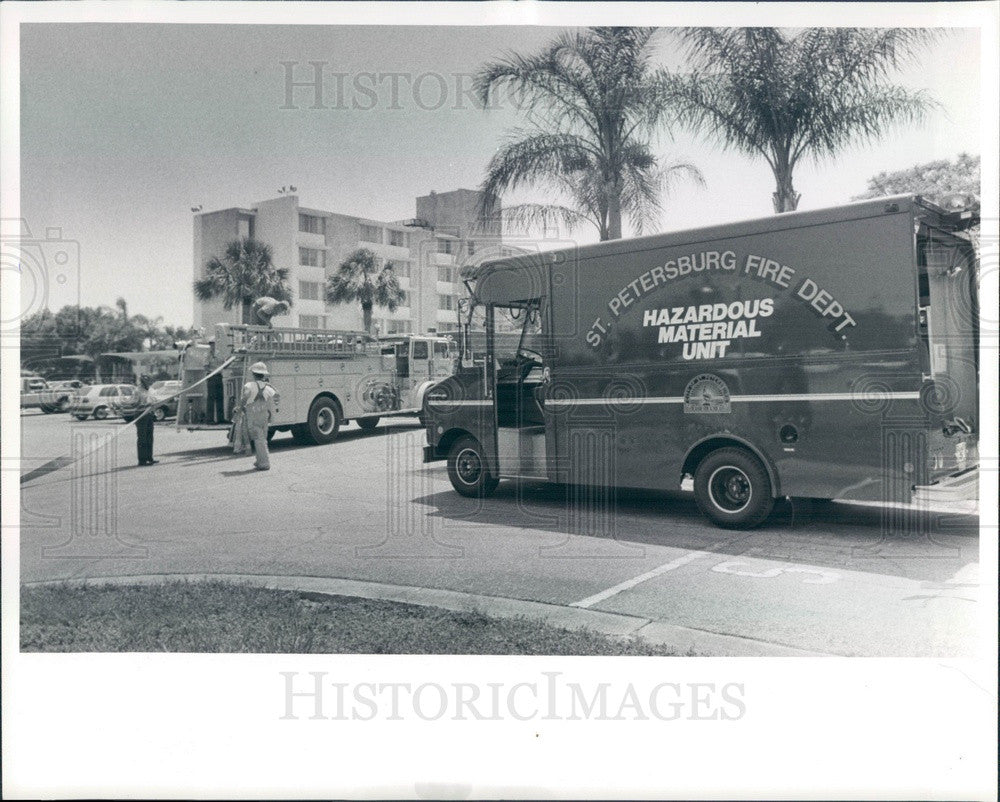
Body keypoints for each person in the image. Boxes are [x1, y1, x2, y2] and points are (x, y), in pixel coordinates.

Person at [240, 361, 277, 471]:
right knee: (262, 439)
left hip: (254, 415)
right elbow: (277, 395)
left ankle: (264, 463)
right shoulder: (267, 387)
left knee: (258, 439)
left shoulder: (249, 385)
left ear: (253, 374)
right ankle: (259, 460)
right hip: (264, 416)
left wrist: (241, 406)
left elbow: (245, 396)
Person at [135, 374, 157, 466]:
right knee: (142, 438)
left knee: (149, 437)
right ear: (143, 382)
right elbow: (134, 404)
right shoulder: (137, 391)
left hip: (149, 415)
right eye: (147, 381)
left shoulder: (151, 390)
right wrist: (145, 405)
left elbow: (154, 401)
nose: (149, 383)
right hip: (141, 415)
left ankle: (149, 458)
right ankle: (142, 460)